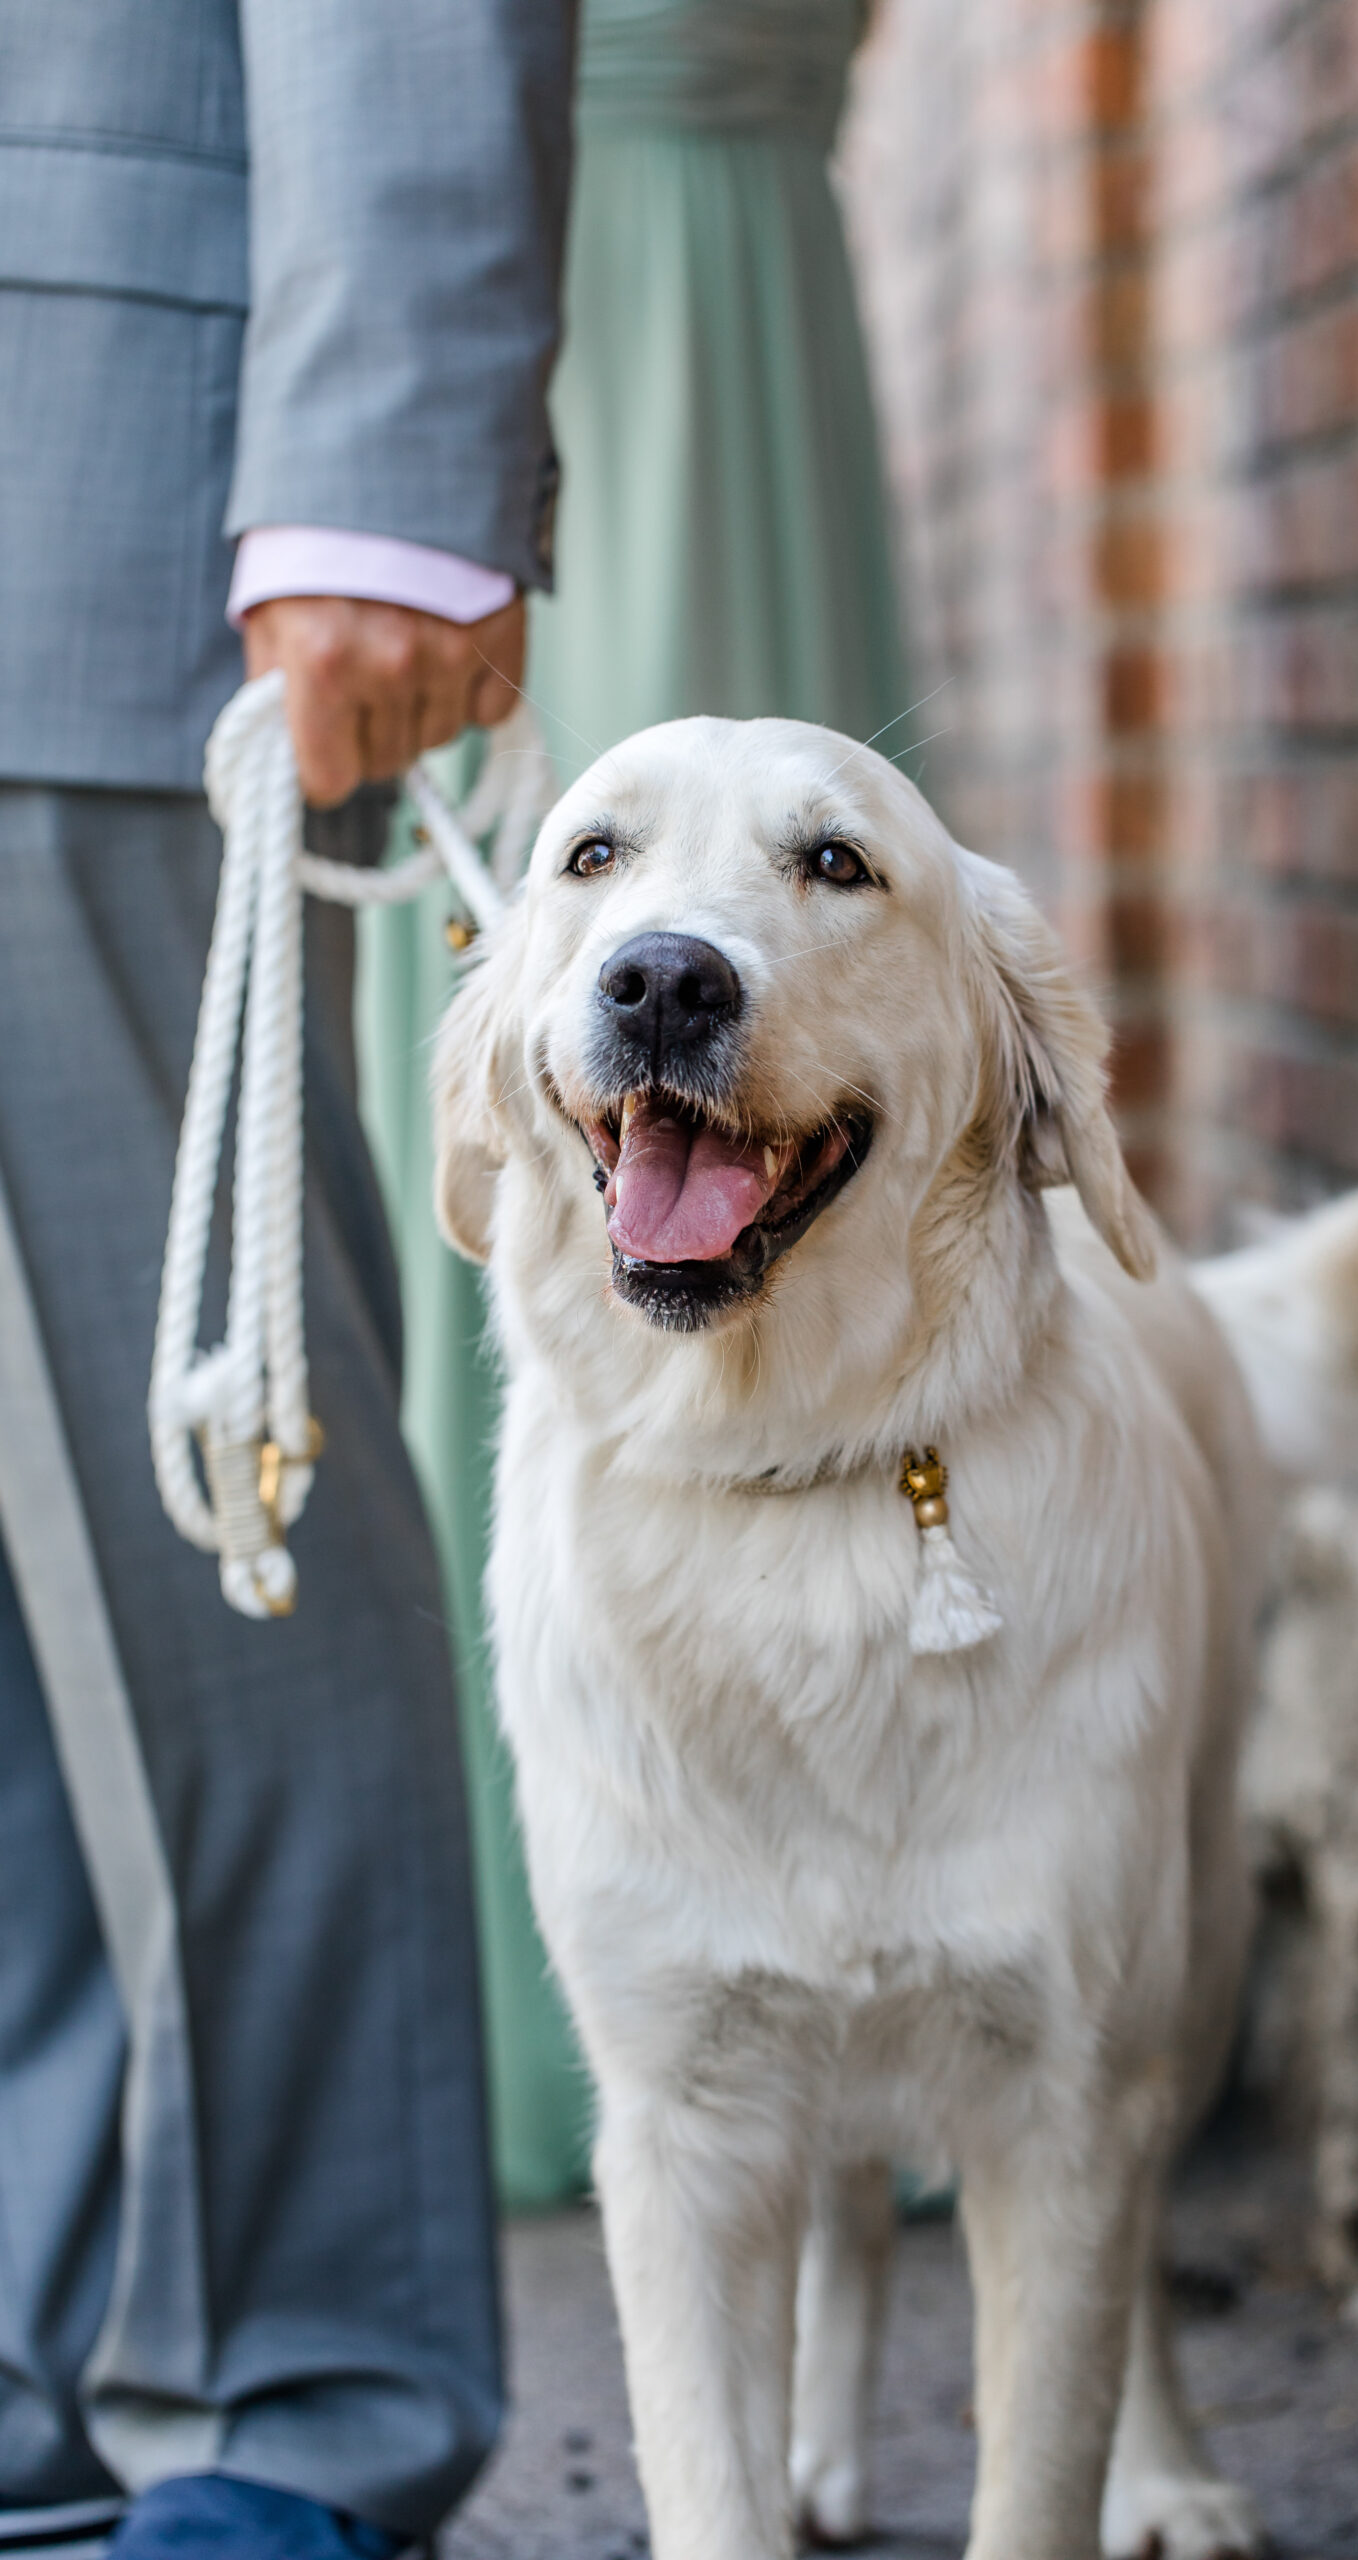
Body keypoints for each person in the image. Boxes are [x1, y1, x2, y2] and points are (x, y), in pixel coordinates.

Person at [0, 7, 572, 2558]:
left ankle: (294, 2395)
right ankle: (35, 2370)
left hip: (76, 471)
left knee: (191, 1482)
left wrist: (389, 441)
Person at [356, 0, 913, 2208]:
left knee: (799, 1000)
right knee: (555, 1053)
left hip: (723, 274)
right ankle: (560, 1963)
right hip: (510, 302)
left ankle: (916, 1902)